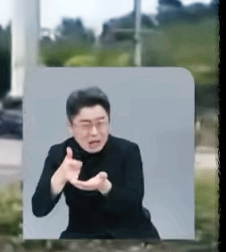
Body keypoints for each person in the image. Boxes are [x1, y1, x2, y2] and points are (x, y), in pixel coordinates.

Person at [30, 86, 160, 240]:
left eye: (100, 123)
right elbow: (38, 209)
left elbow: (133, 206)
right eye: (85, 125)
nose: (94, 132)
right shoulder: (59, 154)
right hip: (83, 234)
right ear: (70, 126)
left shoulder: (128, 150)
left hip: (130, 234)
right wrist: (59, 177)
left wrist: (105, 187)